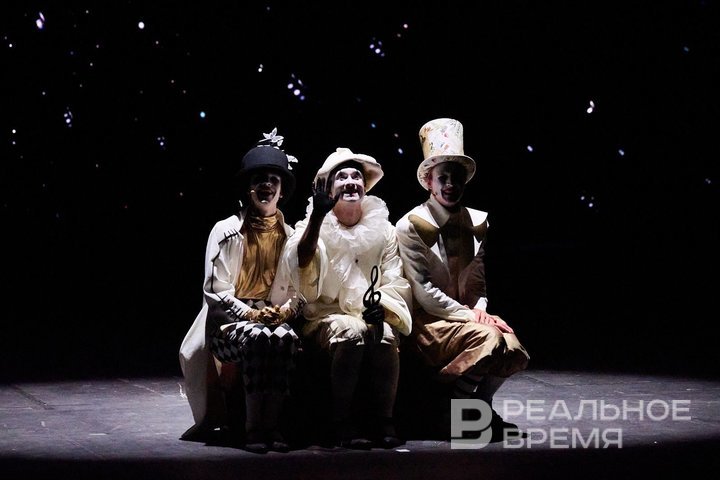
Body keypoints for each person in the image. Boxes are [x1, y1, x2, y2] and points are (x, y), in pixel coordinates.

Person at [395, 118, 530, 442]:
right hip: (430, 322)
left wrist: (481, 310)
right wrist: (471, 317)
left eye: (456, 177)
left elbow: (478, 283)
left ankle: (480, 410)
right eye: (443, 177)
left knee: (513, 347)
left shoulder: (477, 222)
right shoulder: (411, 225)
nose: (450, 184)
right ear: (429, 182)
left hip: (467, 318)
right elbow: (424, 291)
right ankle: (452, 415)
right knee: (489, 339)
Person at [179, 128, 305, 454]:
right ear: (249, 187)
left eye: (273, 180)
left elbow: (298, 289)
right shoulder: (226, 231)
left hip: (271, 318)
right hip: (227, 325)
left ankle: (272, 425)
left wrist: (284, 312)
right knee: (259, 338)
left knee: (285, 338)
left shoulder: (291, 237)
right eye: (259, 179)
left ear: (282, 191)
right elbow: (215, 291)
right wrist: (250, 313)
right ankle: (253, 428)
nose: (266, 185)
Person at [280, 147, 413, 449]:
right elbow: (300, 261)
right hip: (325, 315)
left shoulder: (384, 230)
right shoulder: (313, 224)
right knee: (351, 332)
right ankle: (341, 421)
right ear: (329, 189)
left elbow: (394, 277)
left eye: (356, 177)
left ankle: (384, 419)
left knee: (385, 334)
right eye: (342, 177)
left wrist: (382, 306)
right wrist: (318, 215)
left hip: (369, 312)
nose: (351, 182)